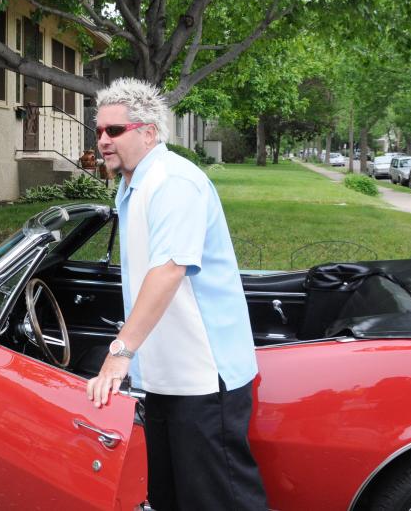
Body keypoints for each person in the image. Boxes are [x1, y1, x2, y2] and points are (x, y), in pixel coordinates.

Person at [86, 78, 268, 510]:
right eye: (98, 131)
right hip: (165, 377)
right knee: (170, 497)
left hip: (203, 377)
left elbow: (168, 270)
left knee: (217, 500)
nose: (103, 141)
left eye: (114, 131)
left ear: (148, 132)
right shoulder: (131, 184)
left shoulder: (172, 182)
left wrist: (119, 352)